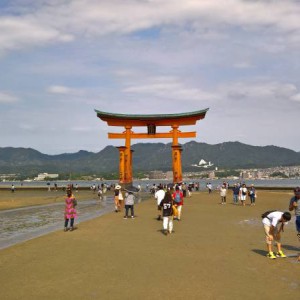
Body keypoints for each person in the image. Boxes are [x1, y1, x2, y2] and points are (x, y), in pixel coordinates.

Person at [289, 187, 300, 261]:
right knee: (299, 234)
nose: (297, 195)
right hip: (298, 217)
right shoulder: (293, 199)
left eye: (298, 193)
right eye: (295, 193)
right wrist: (293, 205)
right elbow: (290, 209)